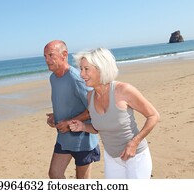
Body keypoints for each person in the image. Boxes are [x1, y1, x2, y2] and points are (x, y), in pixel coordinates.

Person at [69, 48, 160, 179]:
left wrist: (134, 142)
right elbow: (100, 128)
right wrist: (83, 127)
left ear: (101, 68)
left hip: (136, 157)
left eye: (86, 69)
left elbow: (153, 116)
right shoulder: (90, 96)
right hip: (111, 158)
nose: (81, 74)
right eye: (81, 69)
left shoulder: (123, 90)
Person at [44, 40, 100, 179]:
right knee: (55, 174)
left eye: (51, 55)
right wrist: (55, 116)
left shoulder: (76, 78)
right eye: (45, 56)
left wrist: (69, 122)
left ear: (64, 55)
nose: (47, 60)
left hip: (83, 140)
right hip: (64, 139)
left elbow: (94, 108)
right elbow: (68, 102)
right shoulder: (53, 78)